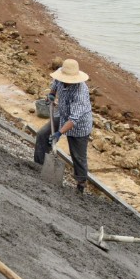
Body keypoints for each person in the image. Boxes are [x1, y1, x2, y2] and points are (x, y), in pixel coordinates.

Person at [34, 59, 93, 193]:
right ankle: (38, 166)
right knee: (43, 134)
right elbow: (54, 85)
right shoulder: (60, 77)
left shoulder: (80, 93)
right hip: (62, 113)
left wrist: (59, 133)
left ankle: (81, 185)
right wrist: (51, 94)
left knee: (78, 156)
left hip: (79, 125)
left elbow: (74, 119)